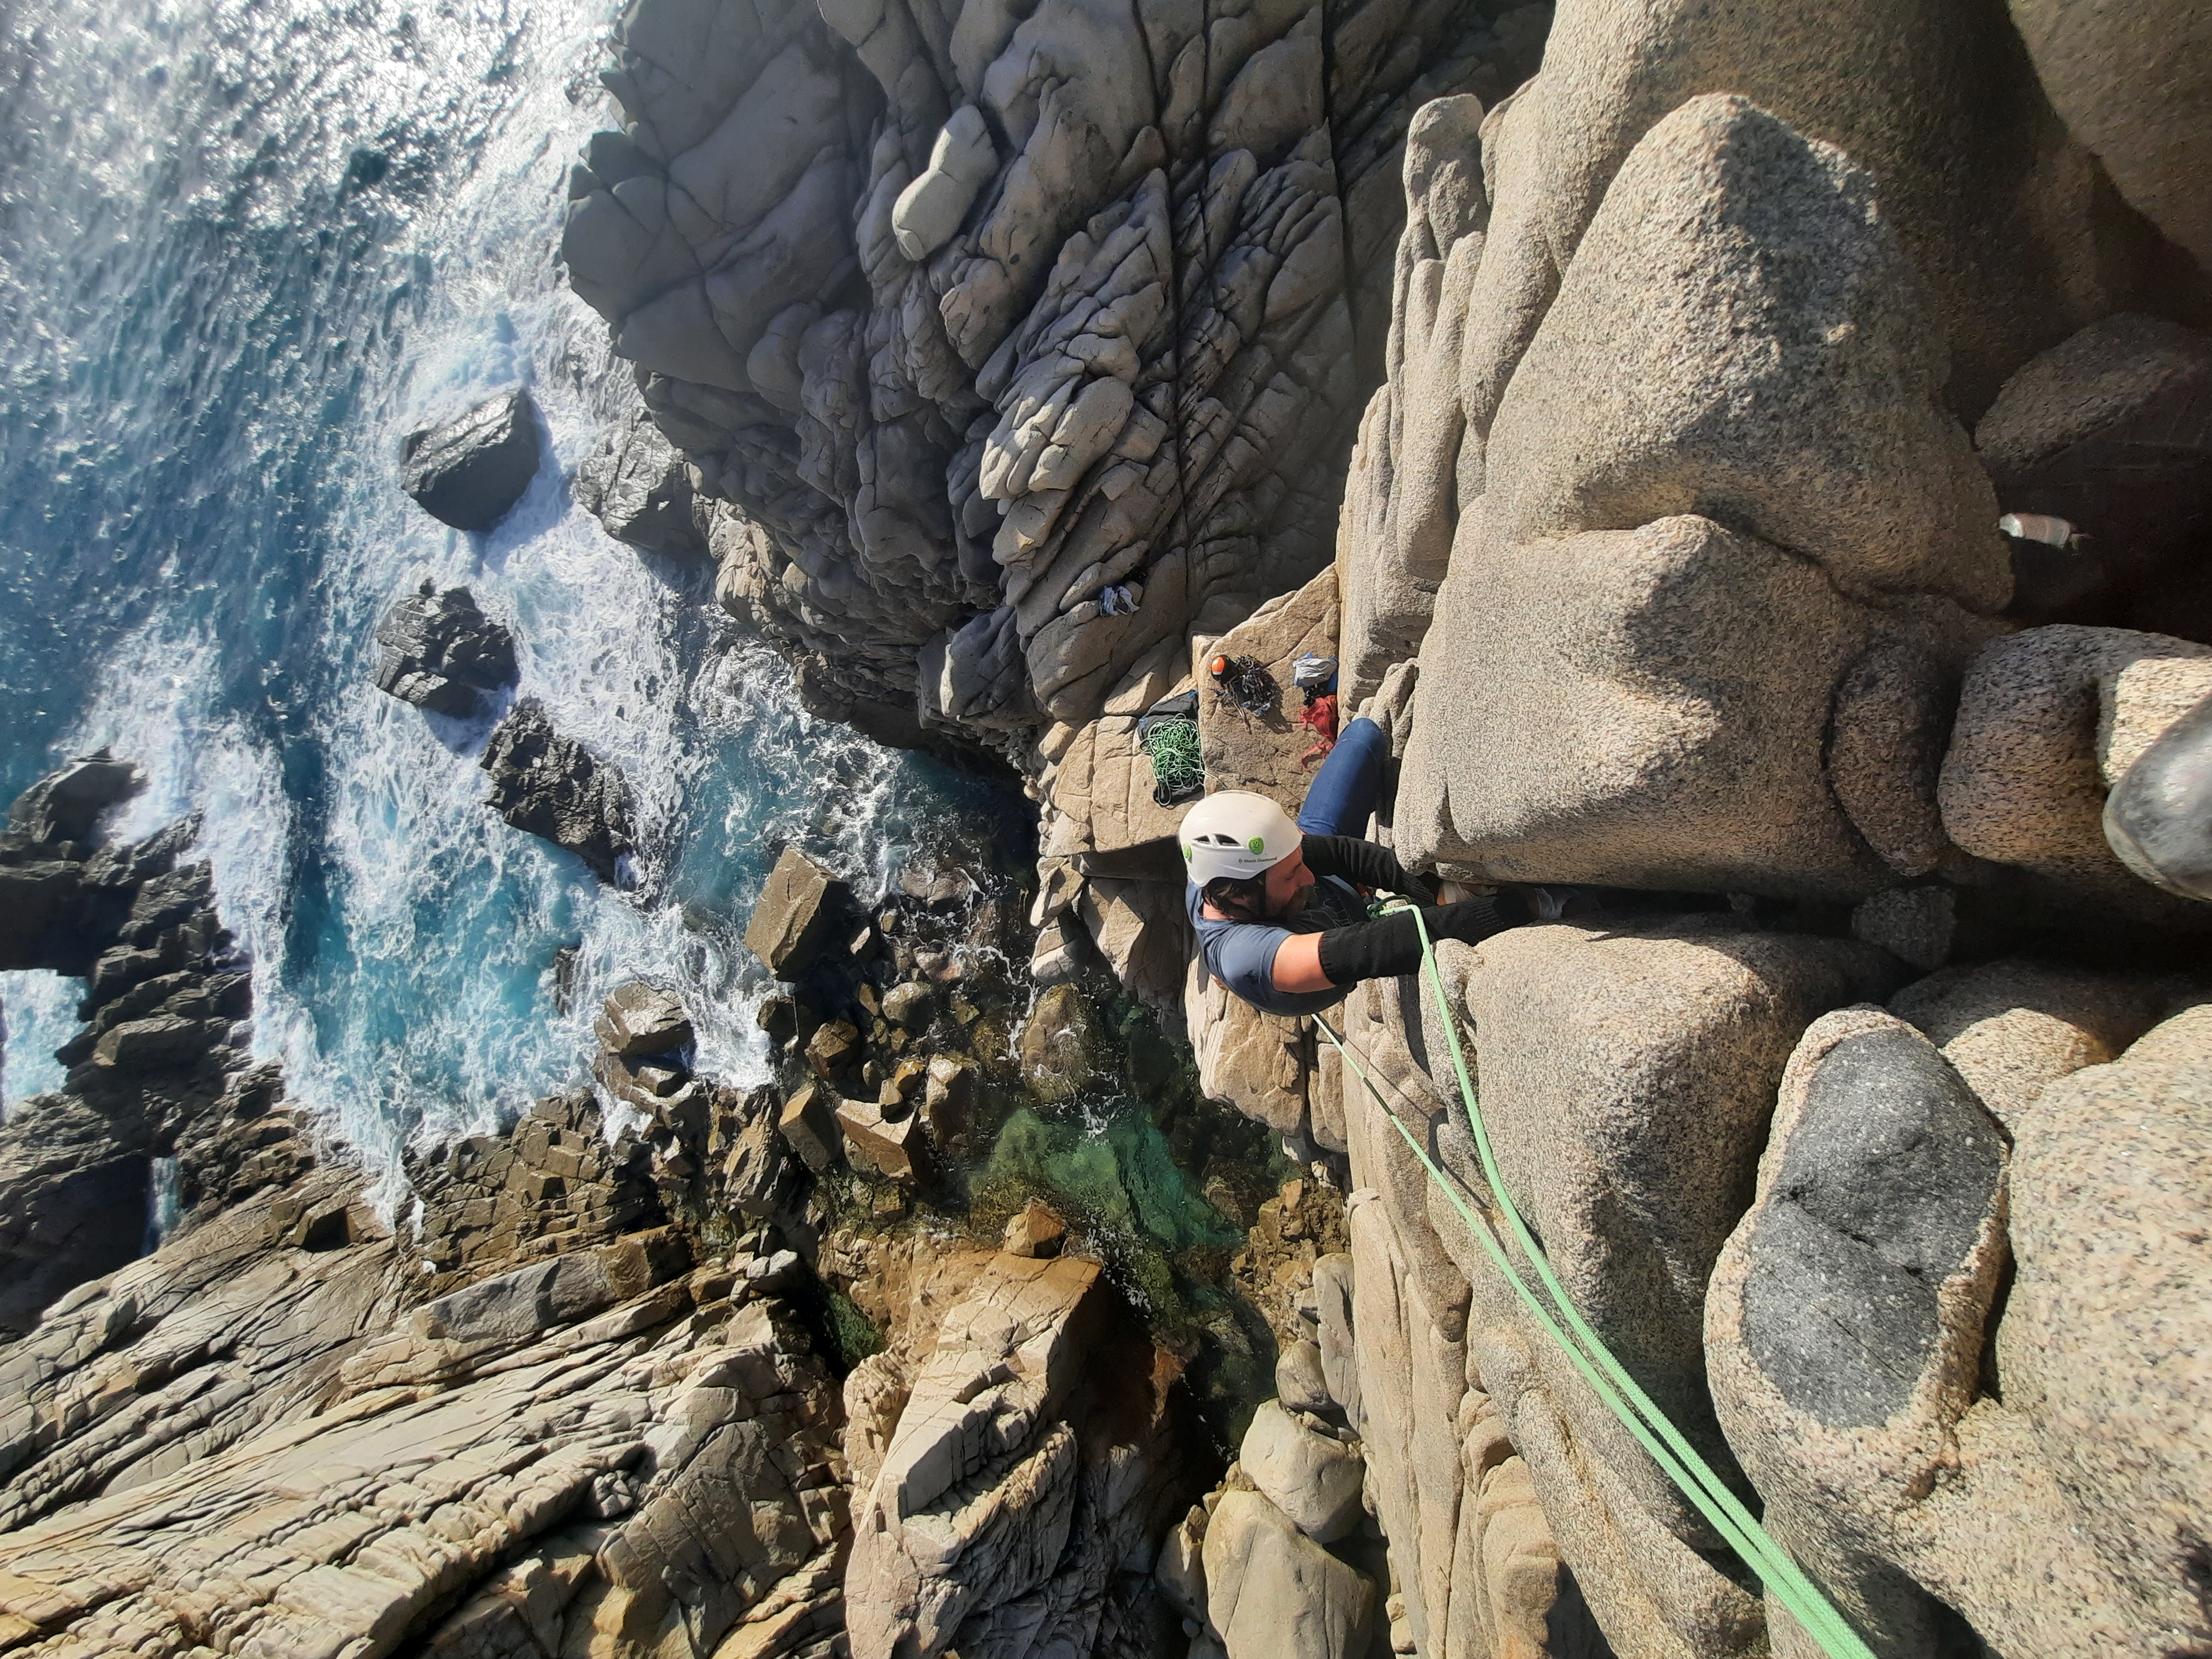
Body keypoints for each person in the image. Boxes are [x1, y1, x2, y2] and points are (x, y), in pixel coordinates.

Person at [1181, 716, 1567, 1017]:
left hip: (1326, 889)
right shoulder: (1249, 957)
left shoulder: (1237, 868)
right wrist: (1532, 904)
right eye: (1291, 875)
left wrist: (1430, 888)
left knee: (1365, 735)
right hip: (1337, 930)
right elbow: (1379, 947)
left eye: (1298, 864)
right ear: (1240, 896)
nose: (1308, 876)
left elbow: (1344, 855)